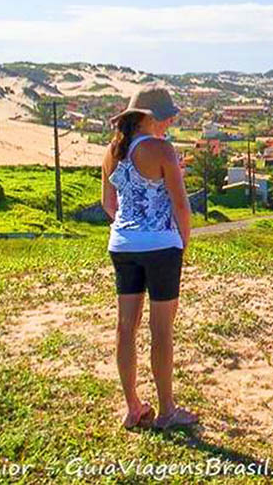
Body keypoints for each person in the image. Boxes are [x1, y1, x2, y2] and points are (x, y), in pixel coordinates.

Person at [101, 86, 196, 430]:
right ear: (149, 117)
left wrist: (130, 229)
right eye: (167, 115)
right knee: (161, 330)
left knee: (126, 327)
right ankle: (167, 410)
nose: (171, 120)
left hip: (122, 246)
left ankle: (133, 407)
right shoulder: (162, 149)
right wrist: (181, 243)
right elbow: (181, 204)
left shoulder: (113, 151)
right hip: (161, 247)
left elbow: (108, 205)